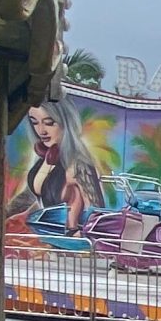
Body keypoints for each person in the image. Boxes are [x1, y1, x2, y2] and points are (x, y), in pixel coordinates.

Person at [8, 93, 106, 232]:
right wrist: (23, 216)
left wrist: (80, 240)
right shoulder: (44, 158)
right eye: (34, 122)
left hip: (67, 245)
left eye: (49, 123)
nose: (41, 130)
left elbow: (96, 215)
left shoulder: (79, 164)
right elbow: (45, 202)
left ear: (66, 123)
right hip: (45, 242)